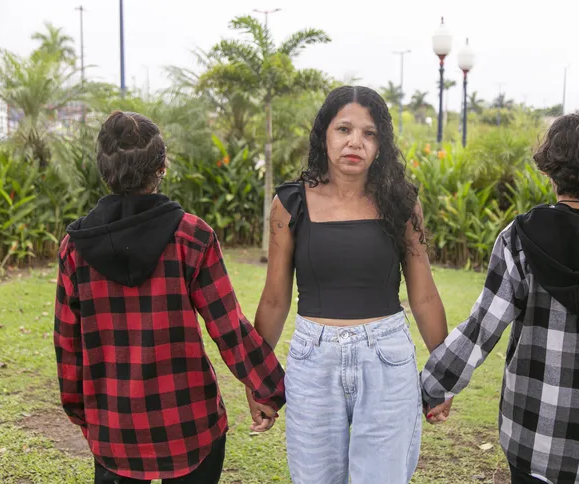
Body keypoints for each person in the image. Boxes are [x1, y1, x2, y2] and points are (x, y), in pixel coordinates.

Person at [422, 113, 579, 484]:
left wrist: (434, 387)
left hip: (530, 432)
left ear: (549, 170)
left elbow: (482, 328)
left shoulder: (518, 239)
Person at [53, 111, 285, 484]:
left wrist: (84, 415)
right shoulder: (192, 236)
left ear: (102, 168)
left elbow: (68, 347)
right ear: (162, 166)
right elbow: (228, 326)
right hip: (190, 424)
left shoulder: (74, 249)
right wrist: (267, 386)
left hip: (114, 430)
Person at [249, 85, 450, 484]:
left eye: (369, 133)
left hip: (387, 361)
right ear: (324, 134)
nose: (355, 141)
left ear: (381, 144)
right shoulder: (289, 204)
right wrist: (259, 380)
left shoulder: (402, 204)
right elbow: (274, 300)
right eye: (344, 129)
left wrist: (445, 373)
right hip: (312, 361)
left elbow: (424, 295)